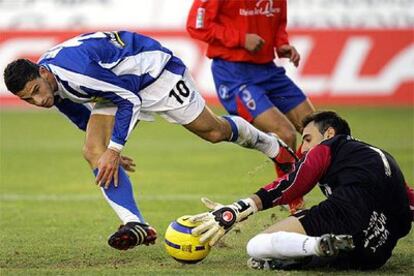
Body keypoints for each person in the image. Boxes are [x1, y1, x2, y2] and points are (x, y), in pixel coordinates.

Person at [3, 30, 294, 251]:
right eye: (28, 98)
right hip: (118, 86)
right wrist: (104, 148)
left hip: (155, 73)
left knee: (214, 132)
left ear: (43, 72)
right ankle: (136, 224)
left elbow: (130, 99)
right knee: (92, 151)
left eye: (37, 90)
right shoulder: (50, 82)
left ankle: (273, 147)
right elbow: (77, 111)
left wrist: (115, 149)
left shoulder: (75, 72)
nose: (38, 100)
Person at [189, 111, 413, 270]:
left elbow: (295, 183)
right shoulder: (382, 156)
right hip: (374, 254)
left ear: (328, 134)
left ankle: (318, 244)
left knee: (256, 246)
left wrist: (239, 209)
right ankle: (317, 251)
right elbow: (409, 202)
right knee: (305, 258)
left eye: (307, 139)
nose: (302, 148)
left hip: (346, 211)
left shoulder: (330, 145)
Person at [186, 0, 315, 174]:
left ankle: (338, 189)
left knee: (318, 132)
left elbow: (277, 20)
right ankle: (291, 197)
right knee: (286, 135)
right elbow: (196, 25)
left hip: (268, 69)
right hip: (234, 73)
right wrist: (241, 39)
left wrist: (281, 43)